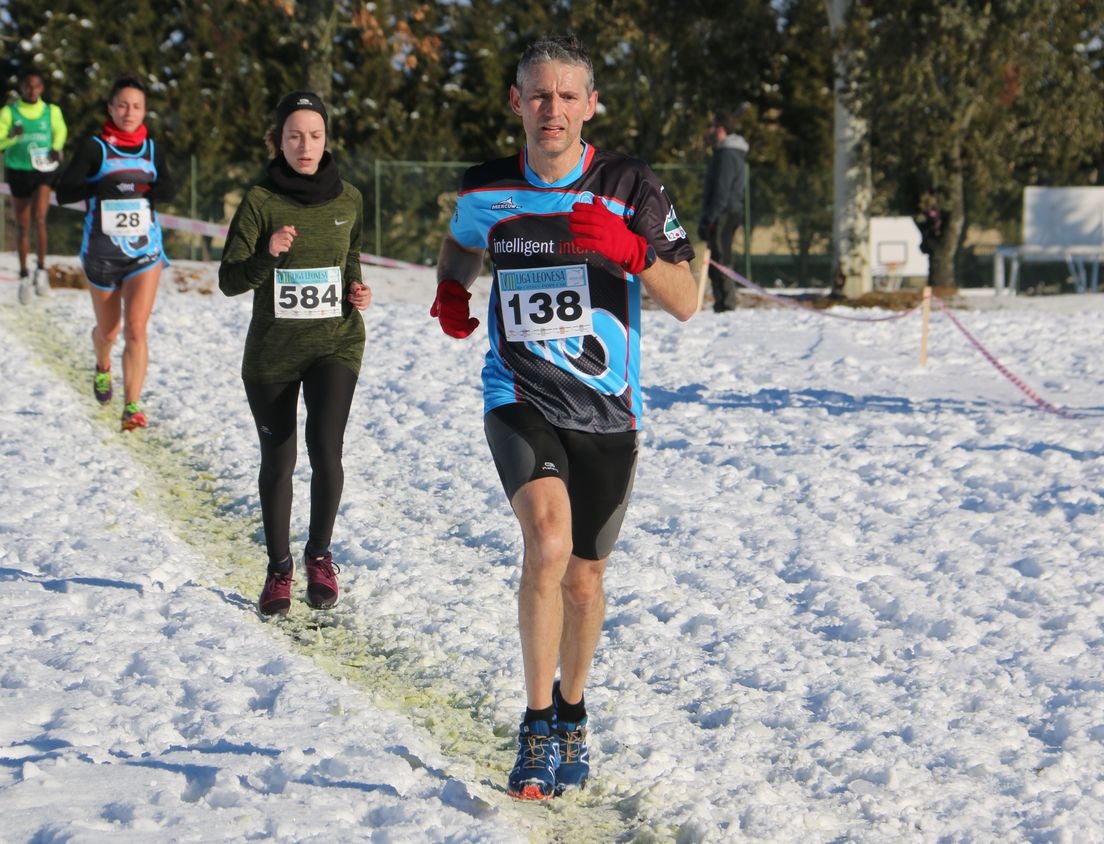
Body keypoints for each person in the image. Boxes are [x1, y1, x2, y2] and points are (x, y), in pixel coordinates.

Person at [430, 35, 698, 801]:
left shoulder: (629, 187)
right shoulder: (486, 190)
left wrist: (635, 253)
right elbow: (462, 243)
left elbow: (688, 301)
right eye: (538, 95)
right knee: (546, 544)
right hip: (516, 394)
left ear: (591, 106)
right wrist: (454, 288)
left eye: (567, 96)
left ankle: (574, 713)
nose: (553, 109)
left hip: (607, 412)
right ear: (516, 102)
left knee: (585, 581)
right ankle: (537, 726)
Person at [219, 91, 372, 617]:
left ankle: (320, 557)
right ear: (278, 140)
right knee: (279, 459)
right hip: (273, 354)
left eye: (314, 135)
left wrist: (357, 289)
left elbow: (349, 256)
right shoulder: (261, 201)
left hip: (336, 341)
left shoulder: (350, 198)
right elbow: (229, 280)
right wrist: (268, 255)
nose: (305, 146)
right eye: (294, 136)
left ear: (327, 139)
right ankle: (279, 569)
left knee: (326, 447)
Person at [55, 75, 176, 432]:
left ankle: (133, 406)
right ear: (111, 108)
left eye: (136, 106)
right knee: (109, 332)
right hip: (102, 253)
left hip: (145, 252)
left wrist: (148, 188)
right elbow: (64, 191)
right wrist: (102, 184)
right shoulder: (95, 148)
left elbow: (168, 188)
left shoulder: (152, 149)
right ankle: (103, 364)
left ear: (144, 110)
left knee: (136, 329)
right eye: (122, 105)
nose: (129, 112)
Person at [0, 68, 67, 304]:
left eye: (37, 86)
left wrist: (56, 147)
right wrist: (10, 135)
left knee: (40, 217)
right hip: (18, 171)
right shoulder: (9, 112)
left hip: (43, 171)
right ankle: (23, 276)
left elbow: (60, 131)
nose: (32, 90)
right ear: (21, 88)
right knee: (23, 226)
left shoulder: (51, 111)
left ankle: (41, 270)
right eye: (28, 86)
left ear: (42, 88)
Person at [697, 110, 748, 313]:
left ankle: (726, 303)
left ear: (721, 129)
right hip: (726, 211)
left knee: (721, 258)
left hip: (724, 213)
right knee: (719, 258)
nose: (709, 131)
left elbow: (721, 190)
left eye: (713, 127)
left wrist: (710, 218)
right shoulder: (726, 152)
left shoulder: (727, 154)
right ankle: (722, 302)